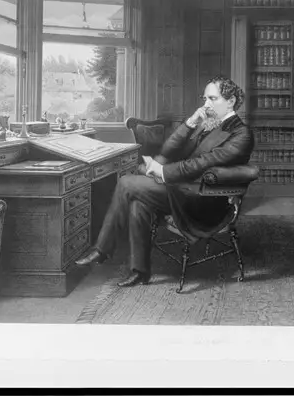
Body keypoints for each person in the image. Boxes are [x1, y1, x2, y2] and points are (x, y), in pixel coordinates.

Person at [75, 75, 255, 287]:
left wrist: (162, 172)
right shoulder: (208, 124)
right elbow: (168, 151)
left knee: (126, 182)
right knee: (137, 203)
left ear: (231, 101)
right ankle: (139, 271)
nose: (205, 105)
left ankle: (102, 249)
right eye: (204, 99)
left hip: (205, 200)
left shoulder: (241, 134)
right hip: (183, 190)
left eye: (212, 99)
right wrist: (190, 123)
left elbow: (202, 164)